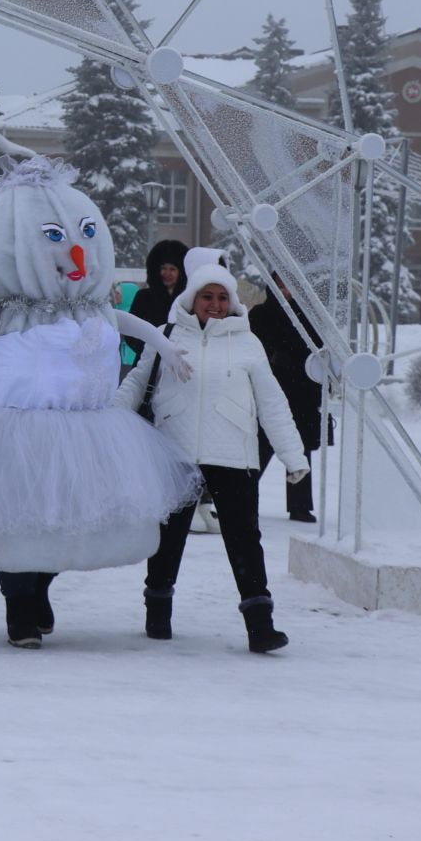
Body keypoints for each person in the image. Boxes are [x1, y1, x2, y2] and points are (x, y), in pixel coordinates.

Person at [0, 159, 198, 649]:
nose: (76, 250)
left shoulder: (88, 313)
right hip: (4, 434)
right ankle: (19, 610)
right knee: (12, 524)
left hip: (79, 434)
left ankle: (42, 586)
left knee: (62, 522)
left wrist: (164, 342)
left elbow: (119, 320)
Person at [115, 248, 309, 652]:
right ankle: (158, 613)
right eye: (207, 297)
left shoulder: (248, 343)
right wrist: (107, 420)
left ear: (232, 302)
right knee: (168, 539)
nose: (215, 306)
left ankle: (260, 626)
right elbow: (137, 382)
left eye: (222, 298)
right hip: (175, 452)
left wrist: (294, 457)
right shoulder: (166, 335)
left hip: (233, 455)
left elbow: (272, 404)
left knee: (244, 541)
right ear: (192, 298)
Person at [249, 271, 328, 522]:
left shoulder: (309, 316)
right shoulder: (261, 314)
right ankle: (242, 497)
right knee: (260, 447)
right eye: (280, 285)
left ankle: (300, 505)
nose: (285, 291)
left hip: (302, 392)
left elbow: (317, 352)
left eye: (289, 285)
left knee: (300, 448)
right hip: (271, 390)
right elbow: (256, 349)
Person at [124, 237, 189, 363]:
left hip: (179, 362)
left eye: (172, 269)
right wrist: (150, 351)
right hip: (145, 363)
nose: (167, 273)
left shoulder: (187, 300)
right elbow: (130, 331)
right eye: (164, 268)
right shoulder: (143, 297)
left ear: (181, 273)